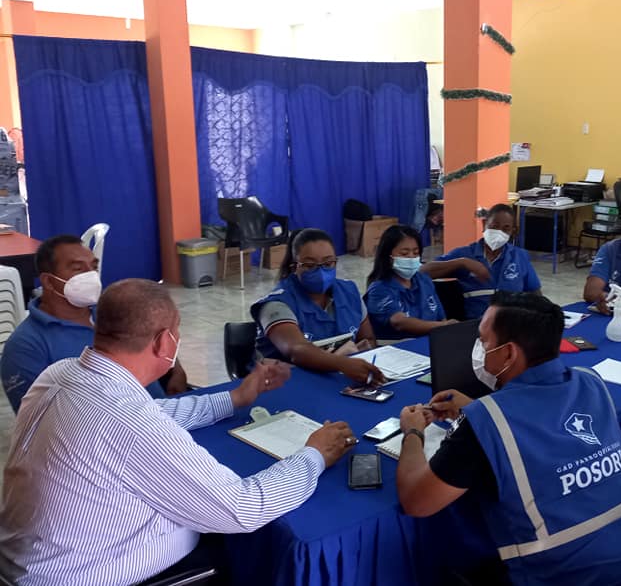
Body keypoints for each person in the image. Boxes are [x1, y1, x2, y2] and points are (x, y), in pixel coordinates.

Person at [0, 279, 357, 586]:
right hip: (87, 573)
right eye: (178, 332)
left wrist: (235, 398)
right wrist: (314, 454)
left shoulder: (61, 374)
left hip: (28, 560)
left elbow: (157, 411)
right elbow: (243, 508)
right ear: (163, 343)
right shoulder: (131, 424)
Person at [395, 292, 621, 585]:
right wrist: (478, 408)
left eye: (483, 341)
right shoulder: (590, 383)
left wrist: (413, 432)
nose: (479, 349)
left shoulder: (485, 421)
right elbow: (546, 426)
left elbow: (417, 502)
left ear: (509, 353)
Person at [0, 235, 187, 413]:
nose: (90, 275)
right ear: (48, 281)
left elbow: (157, 336)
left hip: (166, 412)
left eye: (93, 267)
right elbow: (36, 419)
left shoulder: (115, 309)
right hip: (112, 430)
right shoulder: (26, 346)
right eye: (78, 268)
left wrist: (174, 370)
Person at [250, 229, 384, 386]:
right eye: (309, 265)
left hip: (339, 381)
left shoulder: (349, 292)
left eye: (328, 263)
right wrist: (343, 363)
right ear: (294, 267)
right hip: (287, 384)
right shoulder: (276, 304)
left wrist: (362, 356)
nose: (320, 271)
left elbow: (368, 339)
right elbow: (297, 350)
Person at [421, 204, 542, 319]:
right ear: (484, 224)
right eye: (494, 226)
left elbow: (535, 294)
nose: (499, 232)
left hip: (512, 322)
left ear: (513, 231)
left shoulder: (519, 256)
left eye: (506, 228)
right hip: (477, 324)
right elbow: (422, 272)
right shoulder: (466, 253)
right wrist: (462, 262)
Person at [364, 224, 455, 339]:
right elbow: (400, 322)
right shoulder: (379, 289)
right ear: (388, 256)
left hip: (432, 343)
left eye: (416, 253)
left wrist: (445, 329)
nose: (411, 258)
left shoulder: (424, 280)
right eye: (404, 254)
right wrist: (442, 326)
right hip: (400, 347)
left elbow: (441, 317)